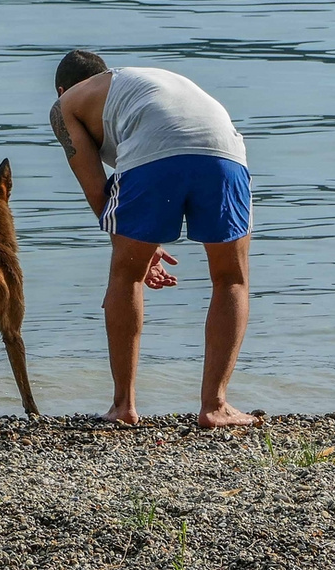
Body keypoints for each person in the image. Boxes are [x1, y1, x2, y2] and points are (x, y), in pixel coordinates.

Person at [49, 50, 257, 428]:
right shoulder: (136, 81)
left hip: (152, 148)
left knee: (125, 276)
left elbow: (97, 191)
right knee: (232, 278)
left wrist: (136, 252)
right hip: (226, 149)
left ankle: (123, 407)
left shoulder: (65, 104)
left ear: (62, 88)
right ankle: (215, 406)